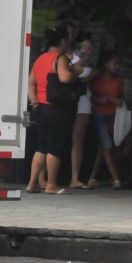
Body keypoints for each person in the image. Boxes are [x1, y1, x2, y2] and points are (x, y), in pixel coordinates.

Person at [25, 27, 78, 195]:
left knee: (41, 145)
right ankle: (51, 185)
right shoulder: (59, 58)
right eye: (67, 42)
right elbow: (65, 77)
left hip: (40, 107)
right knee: (54, 146)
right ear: (62, 42)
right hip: (56, 108)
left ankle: (32, 183)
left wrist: (33, 99)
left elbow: (31, 81)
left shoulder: (40, 58)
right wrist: (76, 71)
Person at [88, 53, 125, 189]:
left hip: (114, 116)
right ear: (106, 64)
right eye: (114, 63)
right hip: (100, 115)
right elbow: (91, 98)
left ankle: (92, 177)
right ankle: (116, 179)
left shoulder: (119, 81)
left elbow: (122, 97)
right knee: (107, 145)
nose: (117, 67)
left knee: (103, 147)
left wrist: (119, 101)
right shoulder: (97, 80)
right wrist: (99, 100)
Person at [69, 37, 96, 189]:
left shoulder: (92, 67)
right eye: (83, 48)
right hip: (67, 101)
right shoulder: (69, 61)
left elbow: (89, 75)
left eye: (90, 48)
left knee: (78, 139)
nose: (86, 51)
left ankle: (75, 178)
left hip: (83, 101)